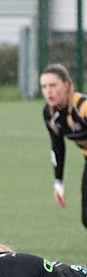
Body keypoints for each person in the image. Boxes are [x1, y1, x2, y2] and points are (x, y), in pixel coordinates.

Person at [40, 63, 87, 229]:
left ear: (66, 85)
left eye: (53, 85)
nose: (48, 91)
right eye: (44, 86)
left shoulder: (83, 107)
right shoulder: (50, 114)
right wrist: (58, 183)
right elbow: (58, 147)